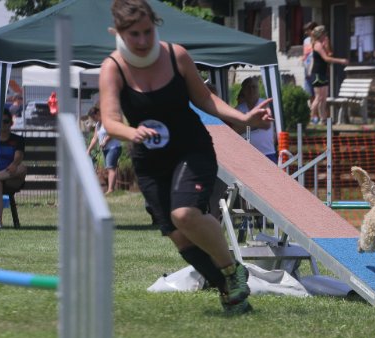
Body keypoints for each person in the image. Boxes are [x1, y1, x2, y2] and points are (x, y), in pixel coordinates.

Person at [99, 0, 273, 314]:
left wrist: (244, 119)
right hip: (150, 162)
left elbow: (205, 98)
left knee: (184, 214)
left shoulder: (176, 55)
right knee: (179, 236)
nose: (142, 41)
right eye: (134, 34)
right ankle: (231, 294)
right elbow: (110, 121)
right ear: (118, 33)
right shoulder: (113, 67)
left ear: (155, 25)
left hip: (192, 149)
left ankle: (233, 270)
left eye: (147, 31)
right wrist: (131, 132)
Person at [0, 109, 27, 226]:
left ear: (11, 123)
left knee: (22, 168)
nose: (3, 124)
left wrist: (14, 164)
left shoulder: (18, 140)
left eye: (6, 121)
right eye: (0, 122)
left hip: (11, 177)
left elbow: (18, 157)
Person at [309, 25, 348, 124]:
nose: (326, 35)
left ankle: (323, 119)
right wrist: (341, 61)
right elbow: (326, 58)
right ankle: (310, 119)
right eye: (324, 34)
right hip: (317, 73)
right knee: (318, 97)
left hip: (323, 73)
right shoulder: (317, 45)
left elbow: (329, 54)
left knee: (324, 97)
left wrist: (326, 45)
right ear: (320, 35)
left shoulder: (321, 44)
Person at [235, 76, 277, 164]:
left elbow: (265, 124)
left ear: (258, 89)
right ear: (243, 90)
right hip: (246, 155)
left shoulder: (265, 104)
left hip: (267, 153)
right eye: (248, 87)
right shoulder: (238, 109)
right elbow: (235, 130)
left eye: (254, 87)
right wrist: (254, 123)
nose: (251, 90)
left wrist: (246, 124)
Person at [86, 105, 123, 194]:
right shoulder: (98, 125)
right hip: (106, 149)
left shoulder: (108, 121)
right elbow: (95, 138)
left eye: (93, 117)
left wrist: (105, 141)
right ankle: (110, 189)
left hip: (114, 147)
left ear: (98, 113)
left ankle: (110, 190)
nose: (93, 119)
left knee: (111, 168)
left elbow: (113, 132)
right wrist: (89, 150)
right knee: (109, 168)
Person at [302, 21, 318, 100]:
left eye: (307, 30)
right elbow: (305, 54)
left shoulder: (318, 40)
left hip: (315, 70)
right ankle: (312, 108)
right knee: (309, 94)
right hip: (307, 70)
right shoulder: (306, 41)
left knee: (317, 95)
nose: (306, 33)